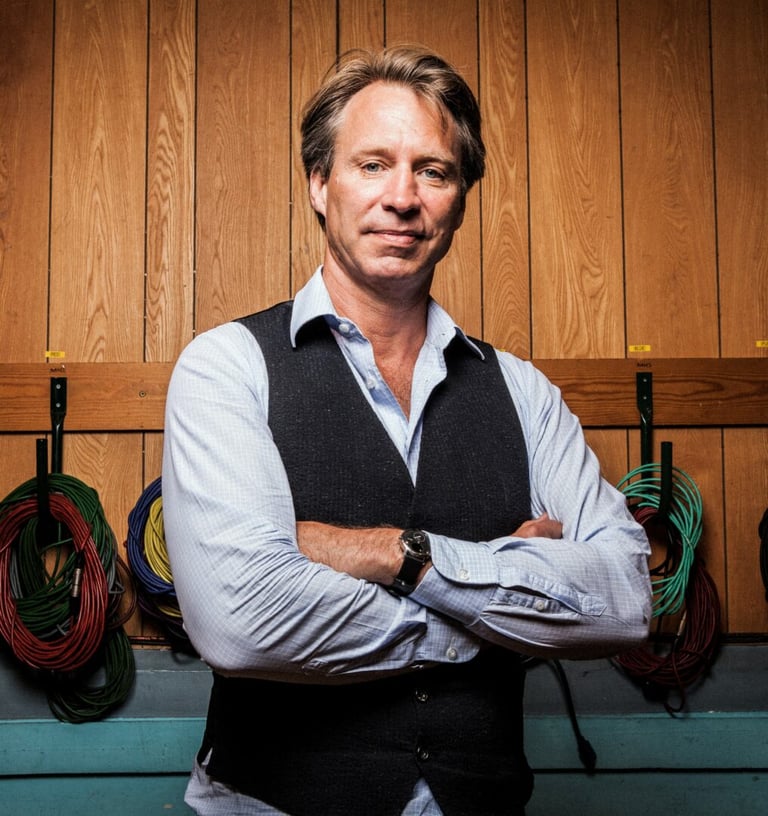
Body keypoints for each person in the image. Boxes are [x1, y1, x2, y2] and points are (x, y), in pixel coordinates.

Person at [162, 45, 652, 816]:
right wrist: (499, 604)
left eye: (433, 171)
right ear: (318, 183)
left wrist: (399, 555)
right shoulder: (227, 367)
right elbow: (243, 624)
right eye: (372, 165)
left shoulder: (522, 391)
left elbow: (624, 600)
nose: (402, 198)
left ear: (460, 200)